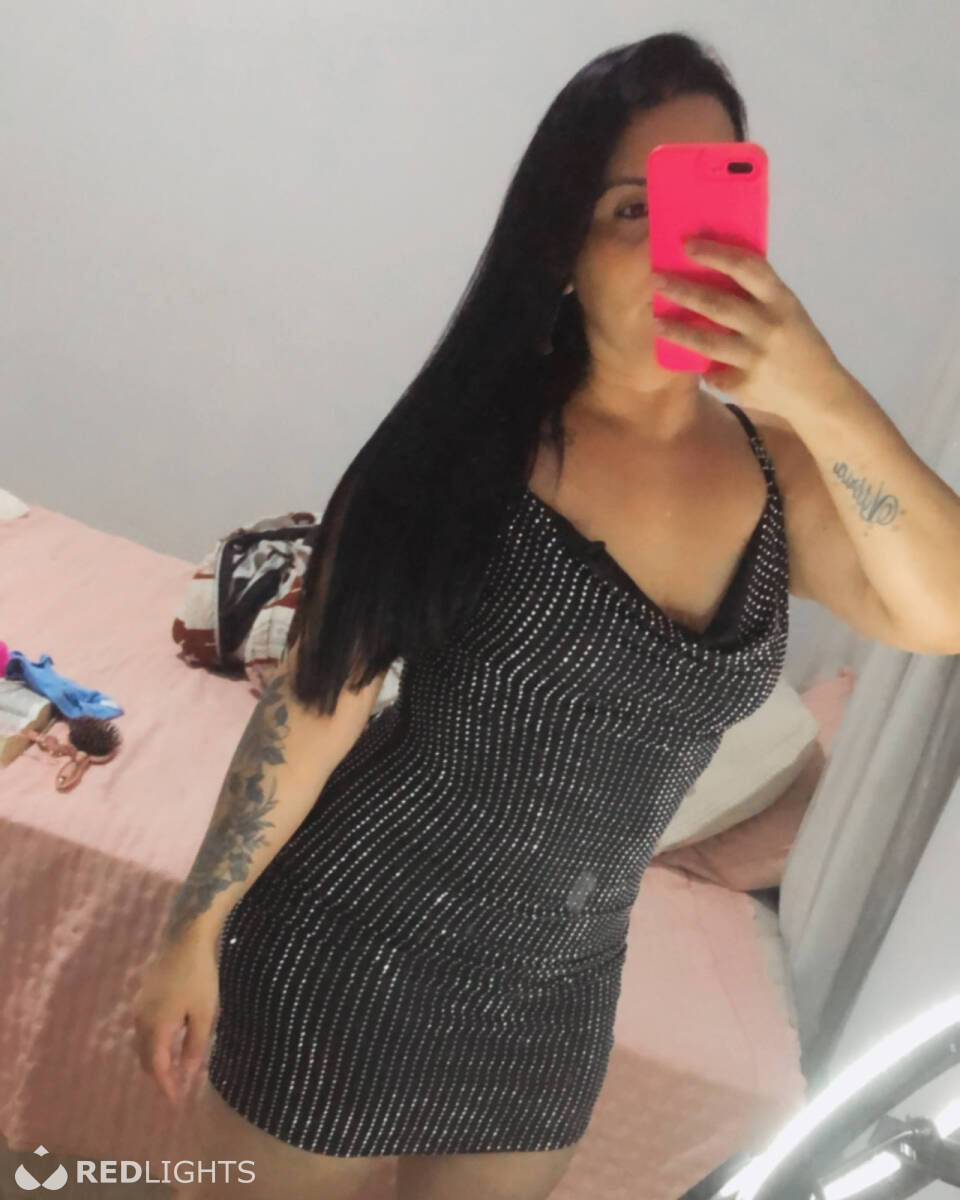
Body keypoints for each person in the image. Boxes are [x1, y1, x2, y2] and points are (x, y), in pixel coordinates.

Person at [132, 30, 960, 1200]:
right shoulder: (467, 443)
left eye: (704, 199)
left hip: (552, 1005)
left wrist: (823, 393)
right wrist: (193, 924)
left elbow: (946, 613)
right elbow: (314, 707)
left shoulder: (785, 475)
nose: (675, 243)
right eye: (632, 209)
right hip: (349, 949)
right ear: (563, 245)